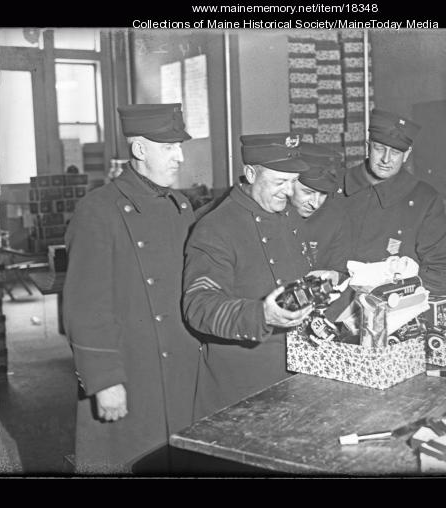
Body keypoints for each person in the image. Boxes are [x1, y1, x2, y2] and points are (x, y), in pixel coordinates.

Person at [63, 103, 201, 474]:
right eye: (169, 147)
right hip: (132, 373)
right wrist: (104, 379)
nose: (180, 157)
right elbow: (84, 306)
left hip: (180, 371)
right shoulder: (98, 210)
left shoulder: (180, 205)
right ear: (139, 150)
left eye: (180, 147)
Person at [182, 133, 314, 419]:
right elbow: (198, 304)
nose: (290, 192)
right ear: (251, 173)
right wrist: (261, 315)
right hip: (242, 386)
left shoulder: (288, 217)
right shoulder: (216, 227)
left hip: (297, 372)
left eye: (293, 182)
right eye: (280, 182)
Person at [337, 109, 446, 295]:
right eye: (379, 149)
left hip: (392, 308)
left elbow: (444, 272)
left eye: (395, 152)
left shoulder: (424, 199)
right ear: (368, 146)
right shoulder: (335, 189)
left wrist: (390, 290)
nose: (386, 159)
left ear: (407, 154)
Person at [292, 142, 350, 277]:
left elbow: (340, 270)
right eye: (308, 192)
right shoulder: (270, 213)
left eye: (323, 194)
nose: (315, 204)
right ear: (290, 182)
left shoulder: (335, 217)